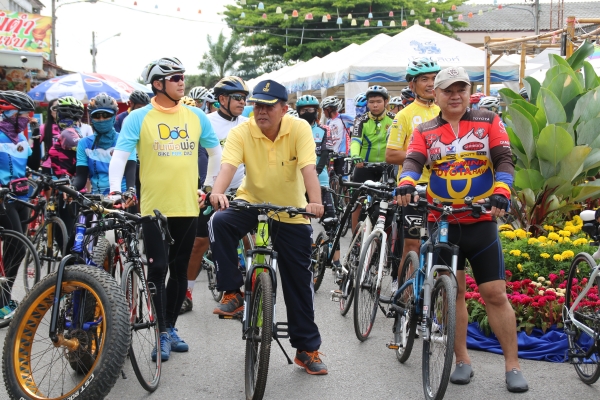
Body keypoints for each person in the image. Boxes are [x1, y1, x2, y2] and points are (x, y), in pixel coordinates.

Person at [396, 66, 528, 393]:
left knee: (494, 294)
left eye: (461, 89)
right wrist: (406, 182)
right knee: (452, 293)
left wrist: (502, 190)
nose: (455, 96)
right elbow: (413, 160)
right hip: (441, 220)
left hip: (480, 221)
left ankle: (512, 366)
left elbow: (504, 159)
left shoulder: (488, 121)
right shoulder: (425, 129)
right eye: (448, 90)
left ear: (469, 92)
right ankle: (462, 360)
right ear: (436, 94)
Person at [208, 79, 327, 375]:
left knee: (299, 282)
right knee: (218, 221)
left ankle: (306, 349)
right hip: (252, 202)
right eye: (258, 105)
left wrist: (314, 202)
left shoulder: (299, 129)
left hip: (291, 211)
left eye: (269, 106)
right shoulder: (242, 131)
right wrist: (217, 193)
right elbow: (228, 167)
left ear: (284, 109)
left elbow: (308, 169)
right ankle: (232, 292)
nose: (261, 111)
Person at [108, 56, 222, 362]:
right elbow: (120, 156)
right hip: (154, 208)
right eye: (175, 78)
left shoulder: (196, 116)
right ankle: (159, 333)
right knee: (158, 268)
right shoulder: (138, 117)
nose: (182, 82)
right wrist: (115, 190)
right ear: (157, 84)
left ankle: (170, 327)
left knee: (180, 269)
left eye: (183, 76)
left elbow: (216, 153)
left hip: (188, 205)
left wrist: (208, 186)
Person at [180, 76, 249, 314]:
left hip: (241, 191)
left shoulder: (249, 123)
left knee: (249, 240)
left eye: (244, 98)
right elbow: (196, 157)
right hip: (210, 191)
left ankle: (247, 292)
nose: (242, 102)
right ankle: (186, 293)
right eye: (237, 97)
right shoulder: (205, 122)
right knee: (199, 243)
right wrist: (204, 188)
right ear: (222, 99)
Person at [386, 57, 441, 291]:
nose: (431, 84)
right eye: (425, 79)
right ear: (412, 85)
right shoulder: (405, 115)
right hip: (414, 190)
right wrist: (425, 158)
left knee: (444, 246)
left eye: (435, 78)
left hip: (445, 189)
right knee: (413, 245)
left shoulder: (446, 111)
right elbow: (391, 154)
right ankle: (404, 299)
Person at [0, 90, 41, 318]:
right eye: (24, 114)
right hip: (3, 198)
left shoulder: (21, 138)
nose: (28, 118)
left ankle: (3, 298)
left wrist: (36, 137)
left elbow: (32, 164)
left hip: (21, 197)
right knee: (16, 244)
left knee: (17, 249)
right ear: (10, 113)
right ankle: (2, 301)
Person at [350, 85, 395, 230]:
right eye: (371, 102)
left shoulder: (395, 119)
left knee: (391, 201)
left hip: (388, 167)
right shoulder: (361, 121)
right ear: (367, 103)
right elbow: (355, 141)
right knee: (357, 201)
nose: (375, 105)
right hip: (364, 165)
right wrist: (355, 156)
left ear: (386, 102)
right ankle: (354, 237)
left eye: (378, 101)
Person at [73, 93, 136, 195]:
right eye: (96, 116)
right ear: (91, 119)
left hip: (124, 196)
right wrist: (72, 188)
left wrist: (130, 191)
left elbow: (130, 172)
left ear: (114, 117)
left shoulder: (126, 140)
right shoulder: (83, 144)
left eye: (106, 115)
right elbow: (81, 177)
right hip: (97, 198)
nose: (101, 119)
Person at [49, 96, 85, 245]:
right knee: (71, 235)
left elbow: (82, 152)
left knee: (65, 238)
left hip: (67, 188)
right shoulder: (75, 131)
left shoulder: (67, 133)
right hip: (72, 187)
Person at [296, 95, 335, 220]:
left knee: (330, 216)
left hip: (320, 174)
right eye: (304, 110)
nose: (307, 112)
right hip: (297, 176)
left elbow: (325, 153)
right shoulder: (293, 129)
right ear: (298, 112)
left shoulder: (324, 129)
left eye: (310, 109)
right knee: (297, 216)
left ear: (316, 111)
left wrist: (316, 172)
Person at [40, 99, 59, 175]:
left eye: (61, 108)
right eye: (55, 108)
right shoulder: (44, 127)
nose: (58, 111)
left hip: (69, 166)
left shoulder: (72, 127)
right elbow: (32, 147)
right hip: (49, 167)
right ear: (50, 111)